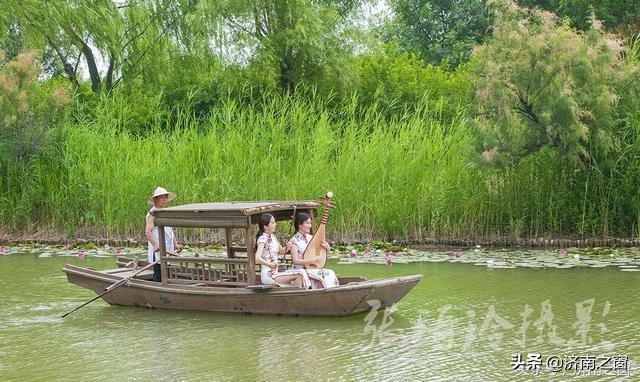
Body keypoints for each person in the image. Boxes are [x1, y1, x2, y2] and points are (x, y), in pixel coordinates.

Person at [255, 213, 310, 288]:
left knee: (300, 273)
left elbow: (281, 252)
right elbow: (257, 258)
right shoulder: (262, 239)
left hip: (276, 273)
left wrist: (288, 246)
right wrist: (269, 264)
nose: (275, 224)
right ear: (265, 227)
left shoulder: (273, 237)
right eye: (273, 222)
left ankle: (298, 295)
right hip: (268, 275)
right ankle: (300, 294)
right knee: (300, 273)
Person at [289, 212, 339, 288]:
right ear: (299, 225)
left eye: (310, 223)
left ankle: (330, 292)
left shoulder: (311, 238)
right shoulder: (294, 240)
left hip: (313, 268)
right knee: (320, 275)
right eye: (307, 223)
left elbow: (319, 254)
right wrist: (312, 260)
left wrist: (327, 248)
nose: (310, 226)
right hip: (301, 270)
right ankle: (322, 293)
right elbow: (295, 260)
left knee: (329, 272)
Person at [145, 186, 181, 282]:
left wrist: (175, 244)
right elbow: (148, 232)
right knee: (159, 275)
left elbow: (169, 231)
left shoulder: (165, 212)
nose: (164, 200)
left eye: (166, 197)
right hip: (158, 251)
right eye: (162, 197)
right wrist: (155, 244)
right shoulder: (152, 214)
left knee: (166, 273)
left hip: (167, 249)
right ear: (156, 199)